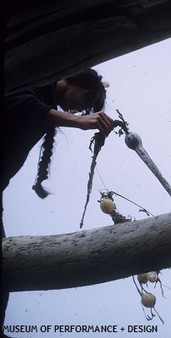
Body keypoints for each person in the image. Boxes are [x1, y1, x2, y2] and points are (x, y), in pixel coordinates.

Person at [1, 68, 115, 328]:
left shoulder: (45, 104)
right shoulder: (34, 84)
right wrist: (79, 122)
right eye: (87, 100)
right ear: (74, 81)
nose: (80, 110)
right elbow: (21, 106)